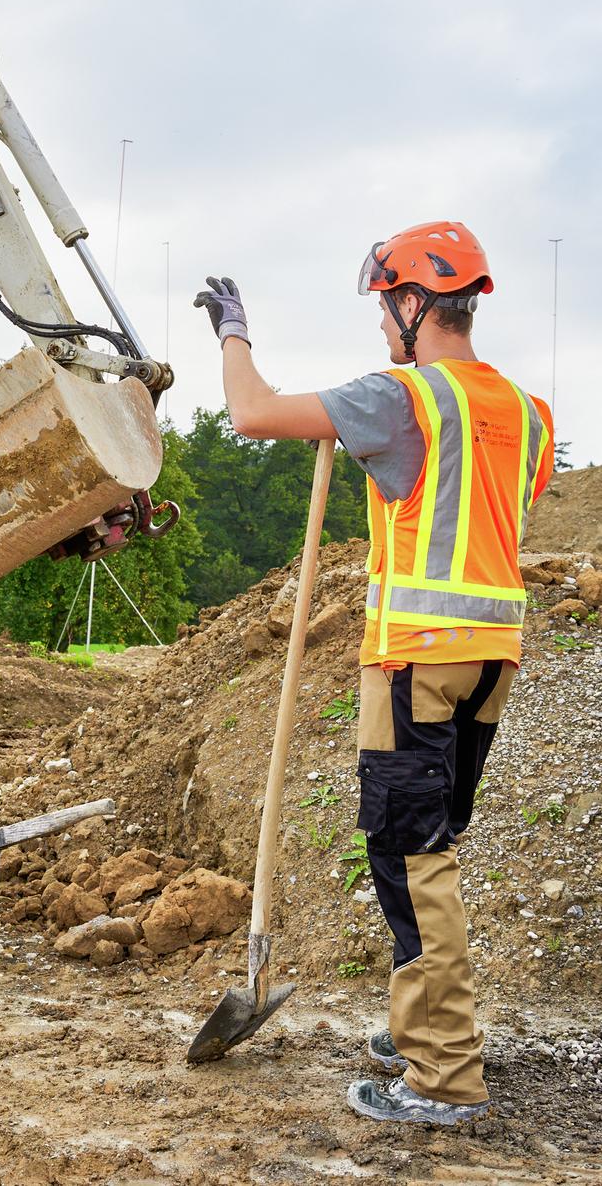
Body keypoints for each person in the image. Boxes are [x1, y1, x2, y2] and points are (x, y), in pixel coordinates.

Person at [196, 221, 553, 1127]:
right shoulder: (527, 410)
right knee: (432, 844)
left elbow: (253, 414)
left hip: (415, 660)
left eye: (382, 308)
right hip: (493, 659)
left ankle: (442, 1075)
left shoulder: (405, 397)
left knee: (408, 854)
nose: (378, 328)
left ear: (412, 304)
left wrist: (233, 333)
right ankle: (421, 1024)